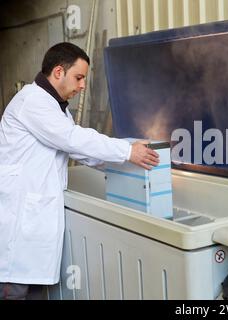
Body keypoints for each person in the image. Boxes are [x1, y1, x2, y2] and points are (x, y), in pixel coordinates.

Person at [0, 42, 160, 299]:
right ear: (59, 72)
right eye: (79, 77)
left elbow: (82, 152)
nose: (83, 85)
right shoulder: (32, 102)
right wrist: (128, 151)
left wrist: (129, 160)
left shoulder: (57, 110)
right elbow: (72, 139)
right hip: (17, 236)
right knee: (14, 293)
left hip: (35, 235)